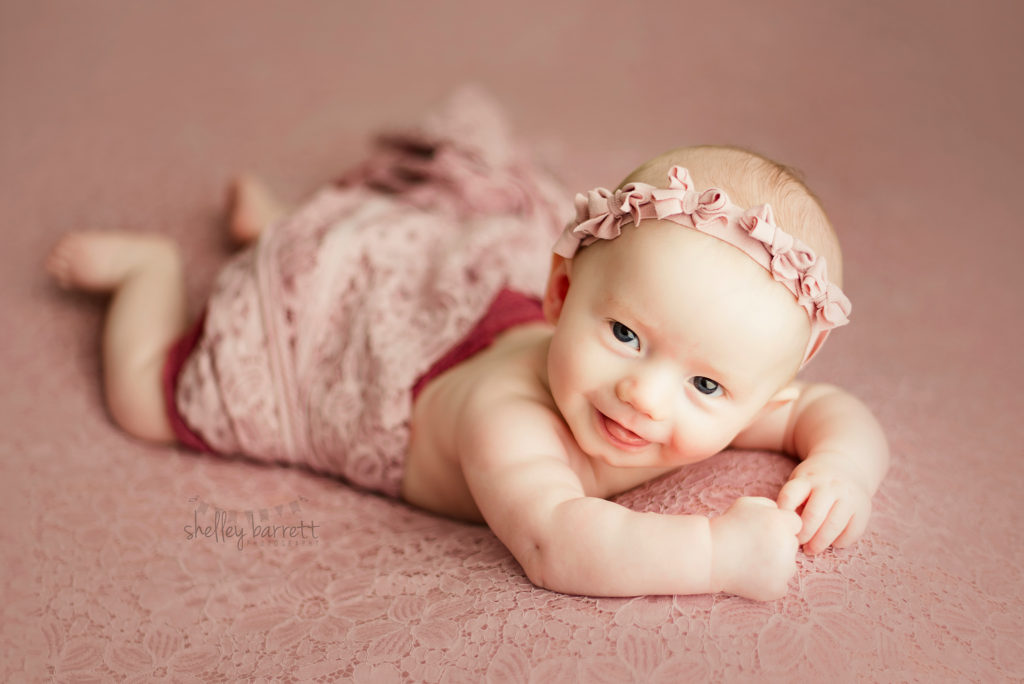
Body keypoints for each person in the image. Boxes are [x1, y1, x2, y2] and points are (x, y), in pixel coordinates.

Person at [47, 92, 888, 600]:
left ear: (758, 393)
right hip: (375, 364)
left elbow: (828, 410)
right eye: (624, 334)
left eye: (707, 387)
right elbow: (558, 541)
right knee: (150, 401)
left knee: (364, 249)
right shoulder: (509, 419)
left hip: (457, 320)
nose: (645, 396)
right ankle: (151, 273)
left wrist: (844, 468)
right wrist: (714, 555)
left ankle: (278, 226)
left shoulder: (705, 382)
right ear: (561, 292)